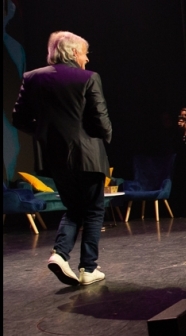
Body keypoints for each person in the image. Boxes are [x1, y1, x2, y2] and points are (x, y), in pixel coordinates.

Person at [12, 31, 112, 286]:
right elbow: (100, 118)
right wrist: (107, 136)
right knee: (93, 210)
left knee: (74, 208)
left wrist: (46, 134)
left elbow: (19, 119)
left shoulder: (32, 78)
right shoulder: (89, 78)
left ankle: (60, 254)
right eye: (85, 53)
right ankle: (88, 268)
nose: (87, 59)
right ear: (75, 53)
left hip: (55, 157)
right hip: (88, 154)